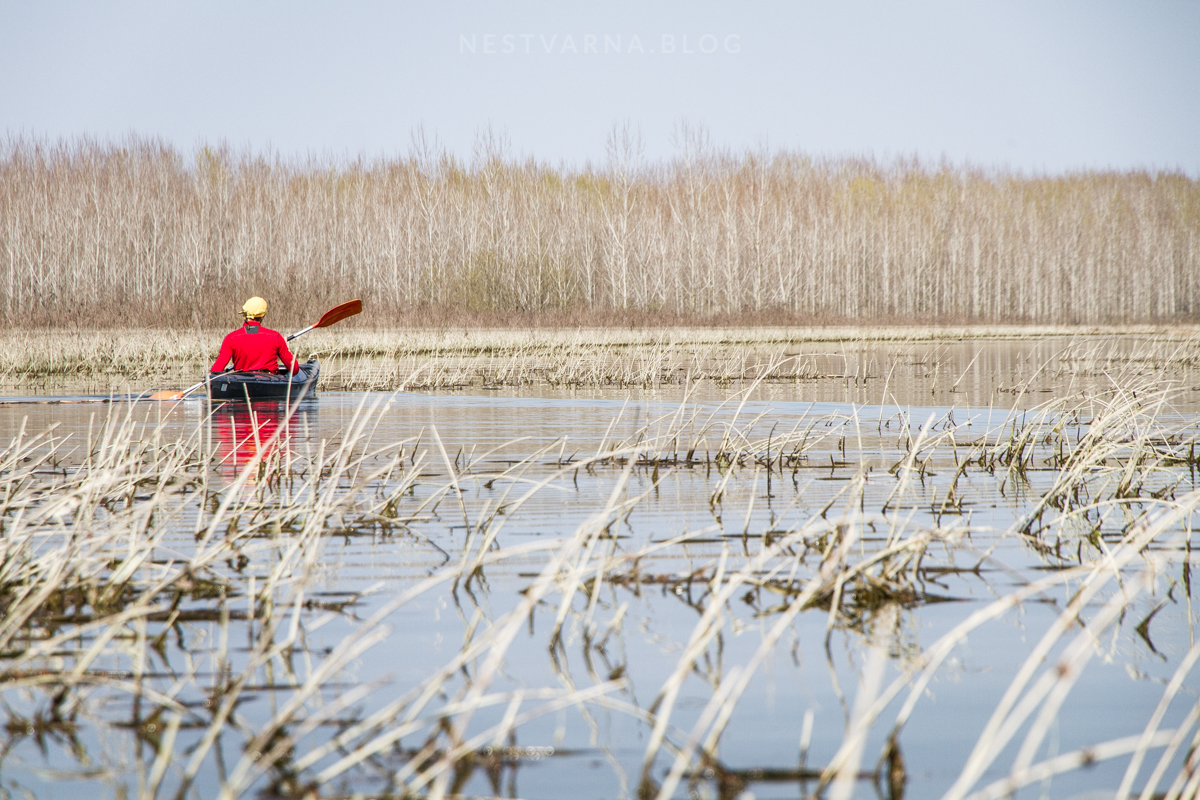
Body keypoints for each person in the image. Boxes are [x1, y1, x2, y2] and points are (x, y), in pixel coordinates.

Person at [211, 297, 301, 375]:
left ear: (244, 315)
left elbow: (216, 370)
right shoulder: (276, 337)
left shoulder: (231, 338)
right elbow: (294, 369)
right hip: (269, 382)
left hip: (241, 383)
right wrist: (286, 347)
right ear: (262, 316)